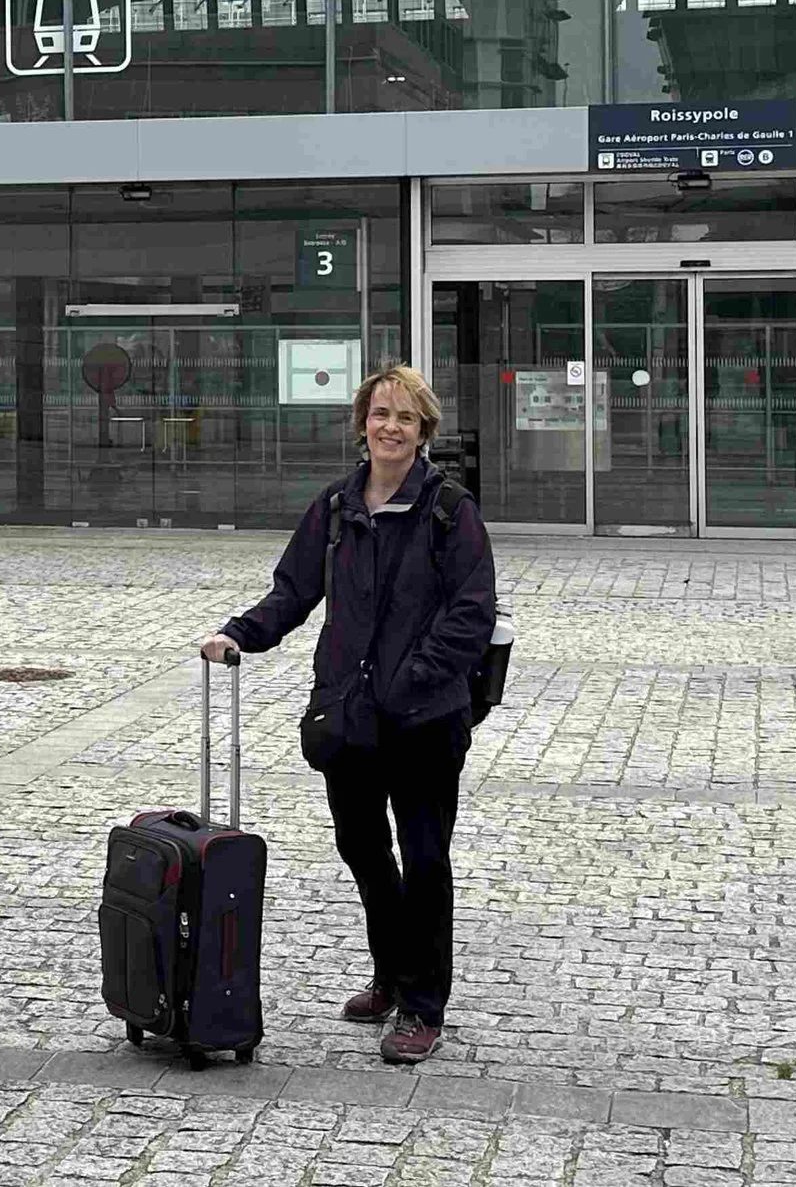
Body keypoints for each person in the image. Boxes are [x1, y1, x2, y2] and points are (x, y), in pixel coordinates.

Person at [196, 364, 495, 1066]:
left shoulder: (450, 510)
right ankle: (390, 974)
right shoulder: (335, 507)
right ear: (363, 422)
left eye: (406, 418)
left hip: (424, 719)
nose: (391, 427)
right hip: (349, 717)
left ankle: (423, 1005)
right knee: (364, 851)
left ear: (423, 432)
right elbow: (293, 590)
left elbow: (471, 613)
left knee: (424, 859)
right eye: (381, 414)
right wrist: (239, 633)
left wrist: (412, 677)